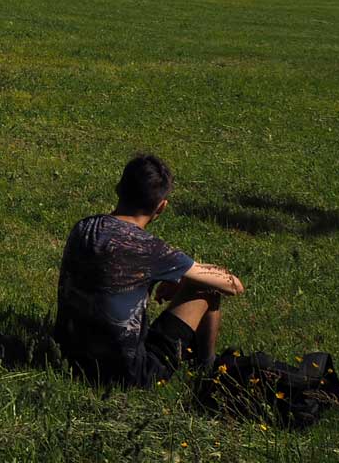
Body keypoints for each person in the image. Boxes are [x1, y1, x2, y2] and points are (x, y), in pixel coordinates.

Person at [54, 155, 246, 388]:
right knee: (207, 287)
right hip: (129, 375)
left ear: (118, 188)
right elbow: (233, 285)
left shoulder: (83, 227)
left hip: (67, 356)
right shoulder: (149, 249)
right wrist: (186, 279)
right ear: (161, 206)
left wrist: (175, 275)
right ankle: (207, 368)